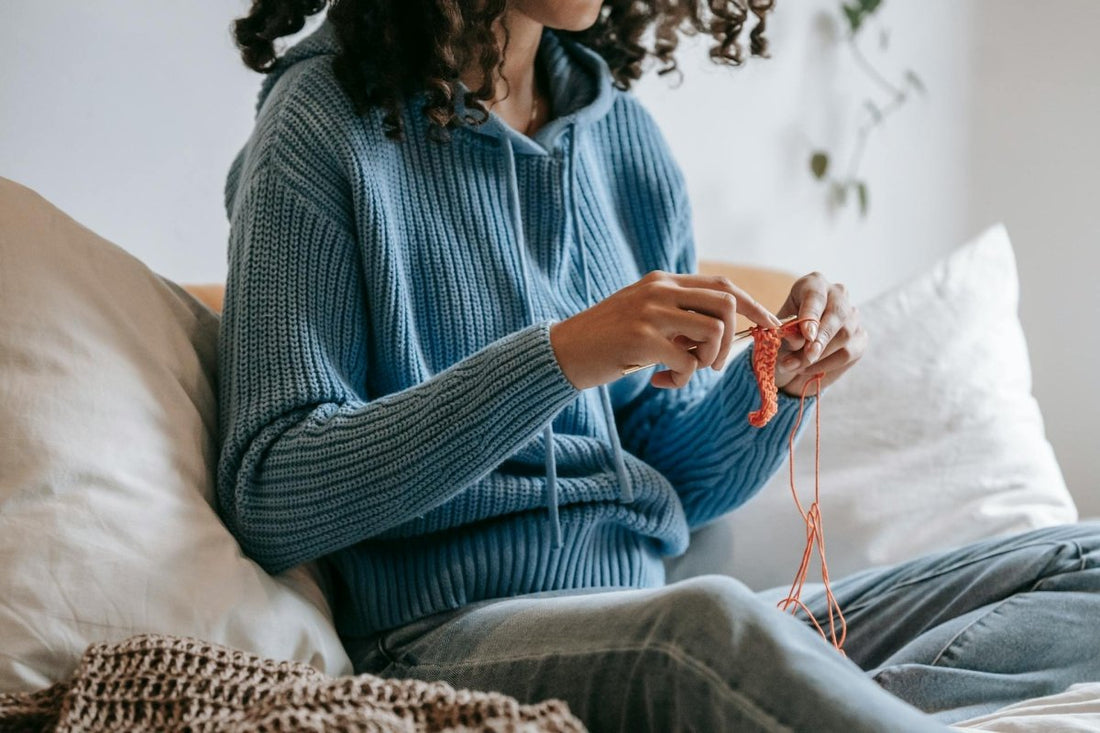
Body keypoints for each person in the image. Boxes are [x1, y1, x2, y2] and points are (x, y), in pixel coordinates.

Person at [215, 1, 1100, 730]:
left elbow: (667, 469)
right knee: (707, 628)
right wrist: (565, 355)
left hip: (659, 621)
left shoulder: (623, 140)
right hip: (446, 637)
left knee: (1083, 558)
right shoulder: (321, 126)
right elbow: (271, 488)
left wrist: (780, 378)